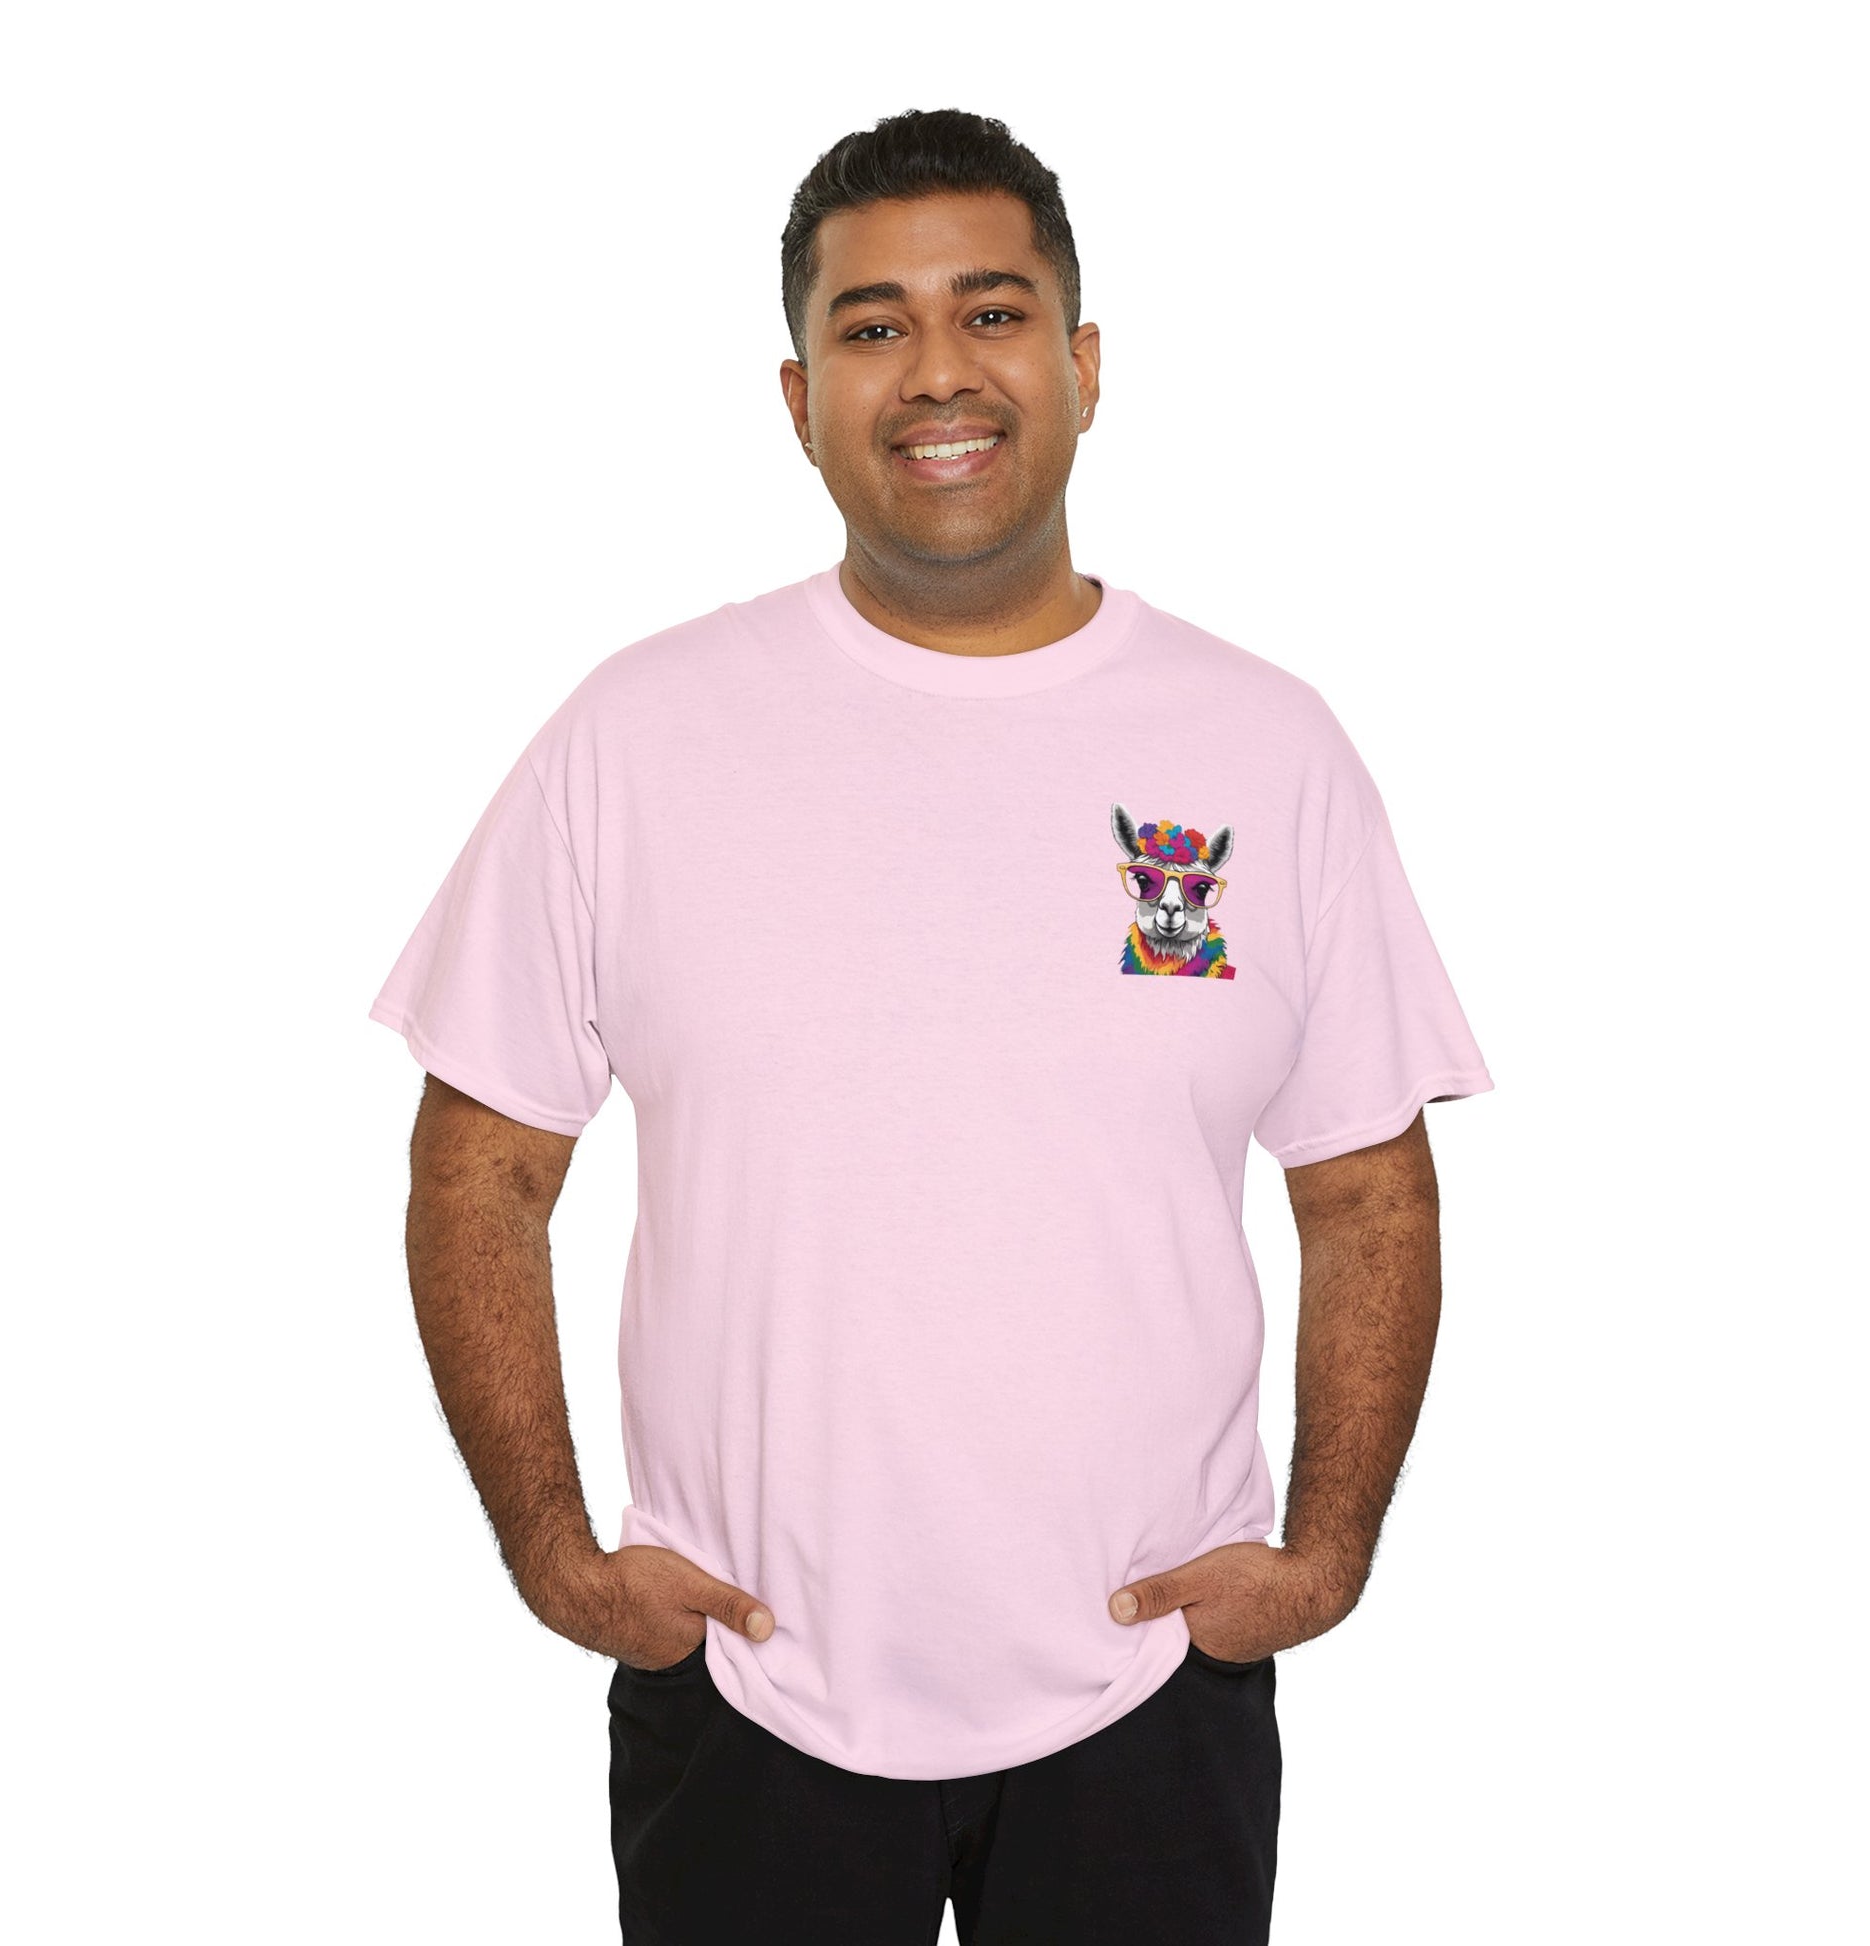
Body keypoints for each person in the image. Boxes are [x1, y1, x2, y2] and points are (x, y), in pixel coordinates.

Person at [368, 106, 1494, 1945]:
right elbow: (478, 1169)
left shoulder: (1263, 747)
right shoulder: (635, 739)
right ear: (799, 396)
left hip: (1153, 1676)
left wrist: (1325, 1551)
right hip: (748, 1680)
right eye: (873, 326)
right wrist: (557, 1555)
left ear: (1084, 363)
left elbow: (1367, 1187)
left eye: (991, 310)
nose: (938, 372)